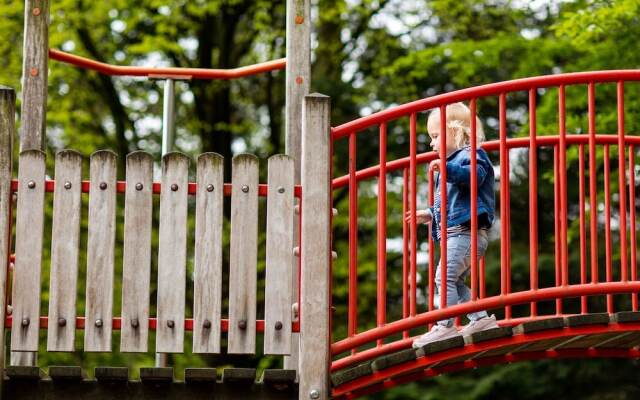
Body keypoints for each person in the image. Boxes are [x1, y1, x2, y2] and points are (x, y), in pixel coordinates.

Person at [407, 102, 498, 348]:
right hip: (460, 235)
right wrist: (429, 213)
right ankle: (480, 319)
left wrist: (446, 168)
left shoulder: (471, 156)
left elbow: (474, 178)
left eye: (435, 136)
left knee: (443, 277)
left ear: (456, 132)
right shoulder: (454, 163)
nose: (431, 143)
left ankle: (444, 326)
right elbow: (450, 203)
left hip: (465, 234)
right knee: (454, 281)